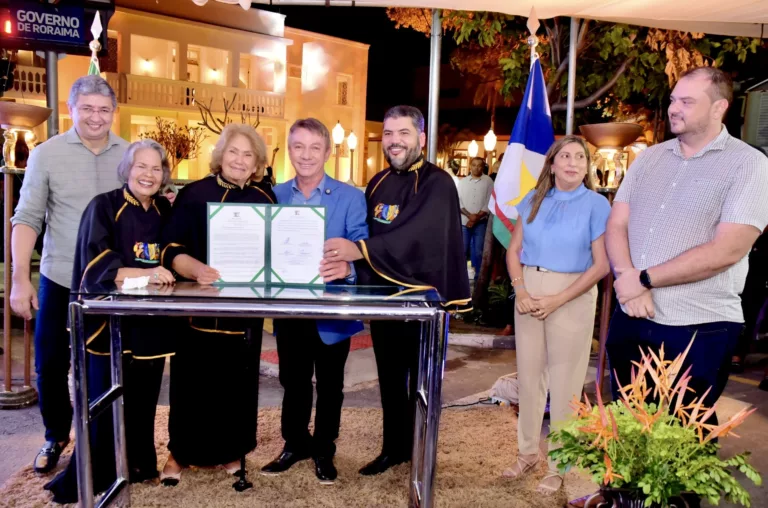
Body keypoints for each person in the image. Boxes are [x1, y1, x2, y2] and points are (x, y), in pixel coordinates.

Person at [605, 66, 768, 426]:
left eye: (687, 101)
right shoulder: (649, 158)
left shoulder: (750, 165)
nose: (673, 108)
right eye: (674, 99)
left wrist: (643, 279)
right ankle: (621, 486)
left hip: (699, 324)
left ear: (718, 108)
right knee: (624, 430)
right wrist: (628, 281)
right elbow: (616, 224)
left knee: (682, 440)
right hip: (631, 315)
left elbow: (727, 250)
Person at [324, 105, 470, 475]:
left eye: (403, 133)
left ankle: (423, 450)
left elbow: (416, 235)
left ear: (421, 138)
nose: (394, 141)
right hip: (384, 300)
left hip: (422, 304)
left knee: (421, 385)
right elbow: (368, 234)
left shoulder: (437, 182)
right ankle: (394, 448)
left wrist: (359, 251)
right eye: (388, 134)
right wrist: (350, 261)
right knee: (389, 379)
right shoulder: (377, 182)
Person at [44, 140, 176, 503]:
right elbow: (97, 267)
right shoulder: (103, 206)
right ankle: (94, 472)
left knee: (144, 397)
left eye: (155, 168)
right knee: (104, 401)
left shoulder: (165, 210)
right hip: (109, 324)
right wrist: (145, 275)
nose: (148, 175)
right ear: (127, 169)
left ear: (164, 174)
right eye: (141, 167)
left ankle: (137, 465)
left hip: (150, 322)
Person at [10, 75, 128, 474]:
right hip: (59, 277)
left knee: (106, 366)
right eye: (87, 108)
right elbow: (26, 218)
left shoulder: (128, 155)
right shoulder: (46, 154)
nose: (96, 117)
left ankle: (102, 440)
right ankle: (55, 435)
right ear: (71, 110)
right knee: (50, 363)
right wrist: (19, 280)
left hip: (110, 284)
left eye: (104, 109)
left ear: (114, 112)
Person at [160, 123, 276, 485]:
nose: (240, 160)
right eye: (233, 152)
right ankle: (179, 453)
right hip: (197, 310)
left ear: (257, 162)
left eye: (248, 155)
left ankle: (231, 452)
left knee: (236, 387)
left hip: (244, 314)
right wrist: (193, 268)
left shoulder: (265, 200)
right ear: (220, 155)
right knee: (192, 384)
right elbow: (171, 249)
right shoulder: (194, 194)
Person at [261, 118, 367, 484]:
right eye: (298, 147)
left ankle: (324, 447)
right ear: (289, 150)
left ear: (328, 151)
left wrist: (347, 267)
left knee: (331, 383)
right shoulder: (273, 195)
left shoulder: (352, 197)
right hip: (289, 308)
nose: (306, 155)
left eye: (314, 148)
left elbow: (362, 247)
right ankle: (294, 443)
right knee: (293, 380)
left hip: (333, 310)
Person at [502, 135, 610, 495]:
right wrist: (520, 289)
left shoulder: (597, 205)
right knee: (530, 378)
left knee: (565, 385)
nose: (573, 162)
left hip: (573, 295)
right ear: (551, 163)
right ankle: (527, 452)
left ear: (587, 166)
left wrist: (558, 298)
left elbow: (602, 265)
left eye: (580, 157)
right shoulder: (532, 200)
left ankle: (560, 464)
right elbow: (514, 250)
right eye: (565, 156)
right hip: (529, 292)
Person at [458, 156, 494, 280]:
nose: (476, 167)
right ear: (470, 166)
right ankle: (460, 277)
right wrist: (469, 216)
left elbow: (489, 201)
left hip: (481, 223)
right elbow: (459, 202)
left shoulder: (488, 181)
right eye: (474, 165)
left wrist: (476, 218)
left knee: (478, 251)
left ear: (483, 167)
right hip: (464, 222)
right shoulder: (462, 182)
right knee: (462, 250)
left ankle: (479, 277)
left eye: (479, 165)